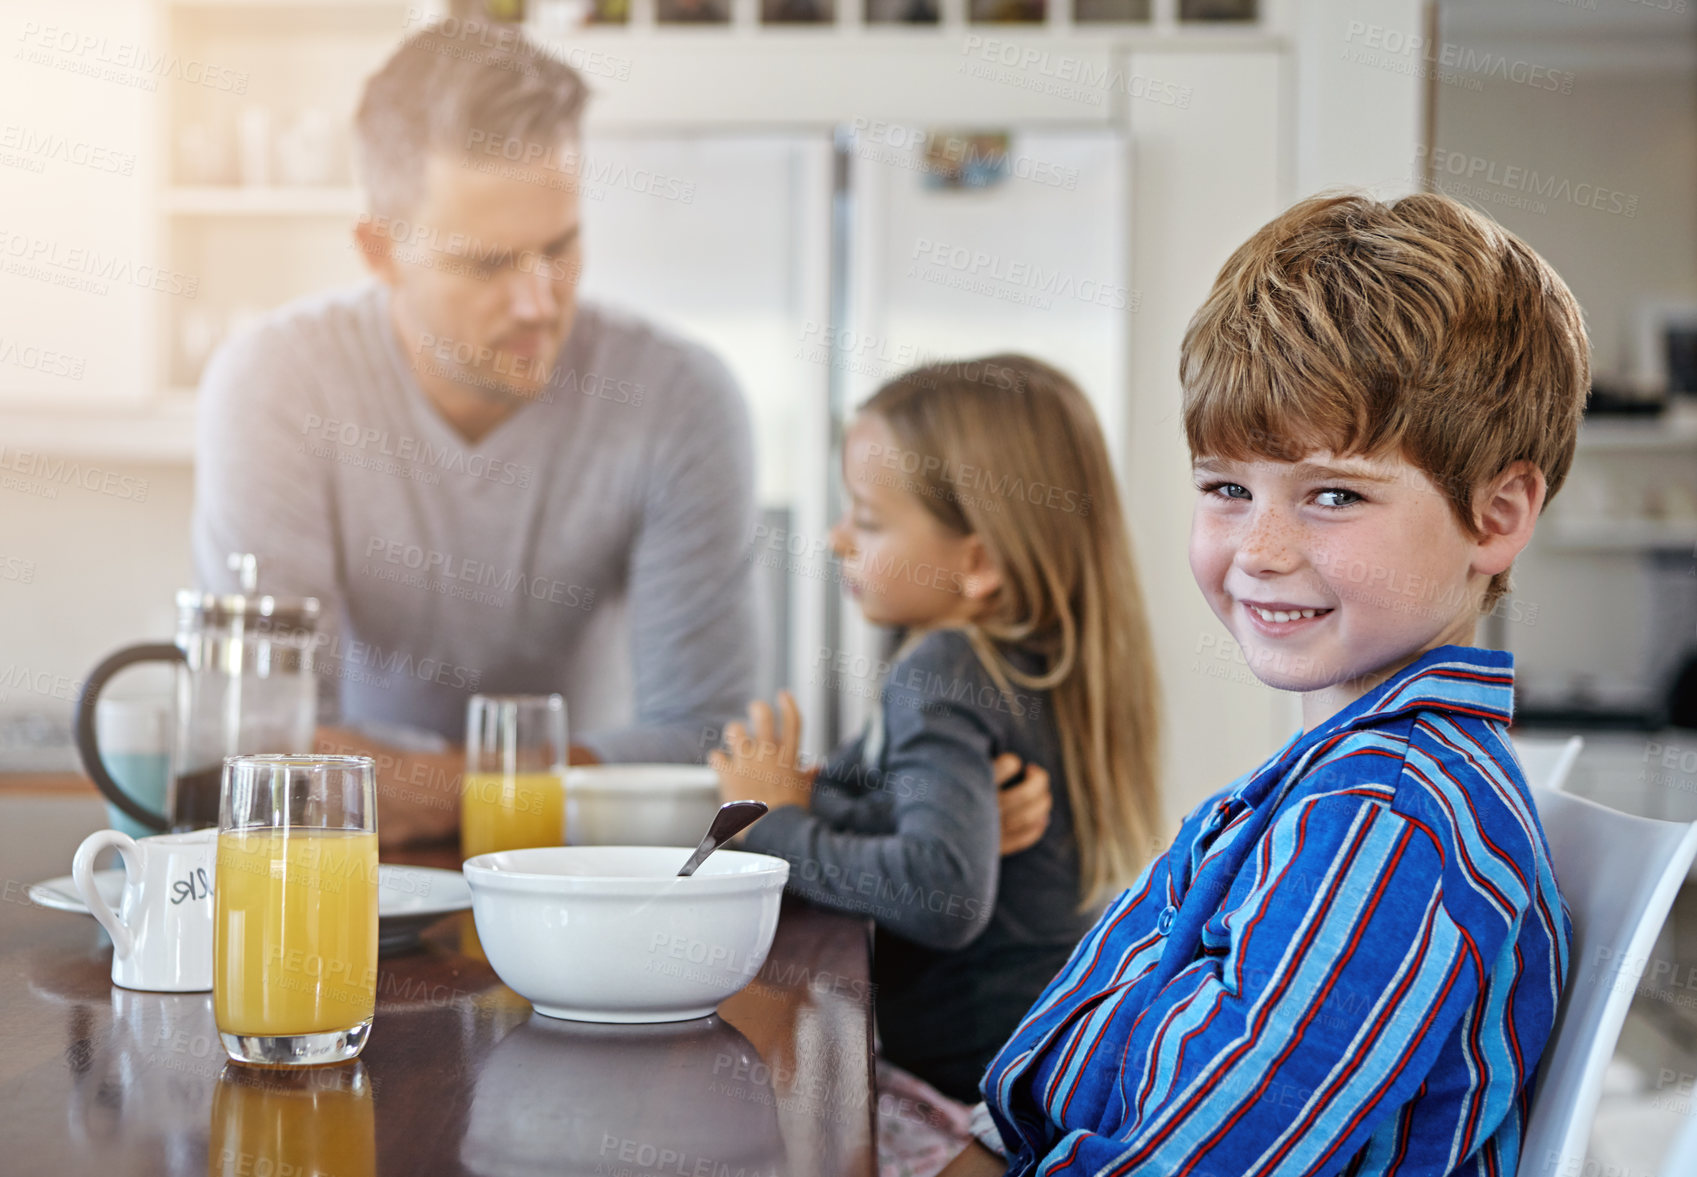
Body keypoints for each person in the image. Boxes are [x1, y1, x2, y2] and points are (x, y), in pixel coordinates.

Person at [941, 192, 1583, 1176]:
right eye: (1225, 488)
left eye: (1332, 495)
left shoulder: (1385, 818)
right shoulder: (1339, 779)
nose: (1260, 549)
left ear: (1494, 515)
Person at [190, 22, 758, 846]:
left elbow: (710, 744)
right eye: (488, 264)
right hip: (349, 866)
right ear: (380, 252)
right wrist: (550, 778)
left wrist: (434, 786)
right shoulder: (276, 383)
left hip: (576, 868)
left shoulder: (680, 399)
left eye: (559, 247)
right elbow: (264, 745)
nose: (538, 302)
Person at [712, 354, 1164, 1107]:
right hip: (1045, 1064)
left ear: (978, 560)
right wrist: (836, 803)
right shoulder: (1031, 661)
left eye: (868, 518)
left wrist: (776, 821)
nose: (835, 539)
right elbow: (892, 813)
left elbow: (941, 894)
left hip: (973, 1091)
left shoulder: (940, 670)